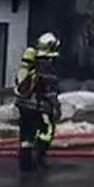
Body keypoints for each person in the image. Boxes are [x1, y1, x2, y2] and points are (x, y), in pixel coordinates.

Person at [14, 32, 62, 173]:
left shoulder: (31, 65)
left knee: (26, 135)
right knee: (47, 131)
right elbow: (50, 89)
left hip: (24, 105)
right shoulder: (47, 66)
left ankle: (25, 164)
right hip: (39, 107)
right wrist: (56, 106)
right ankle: (38, 158)